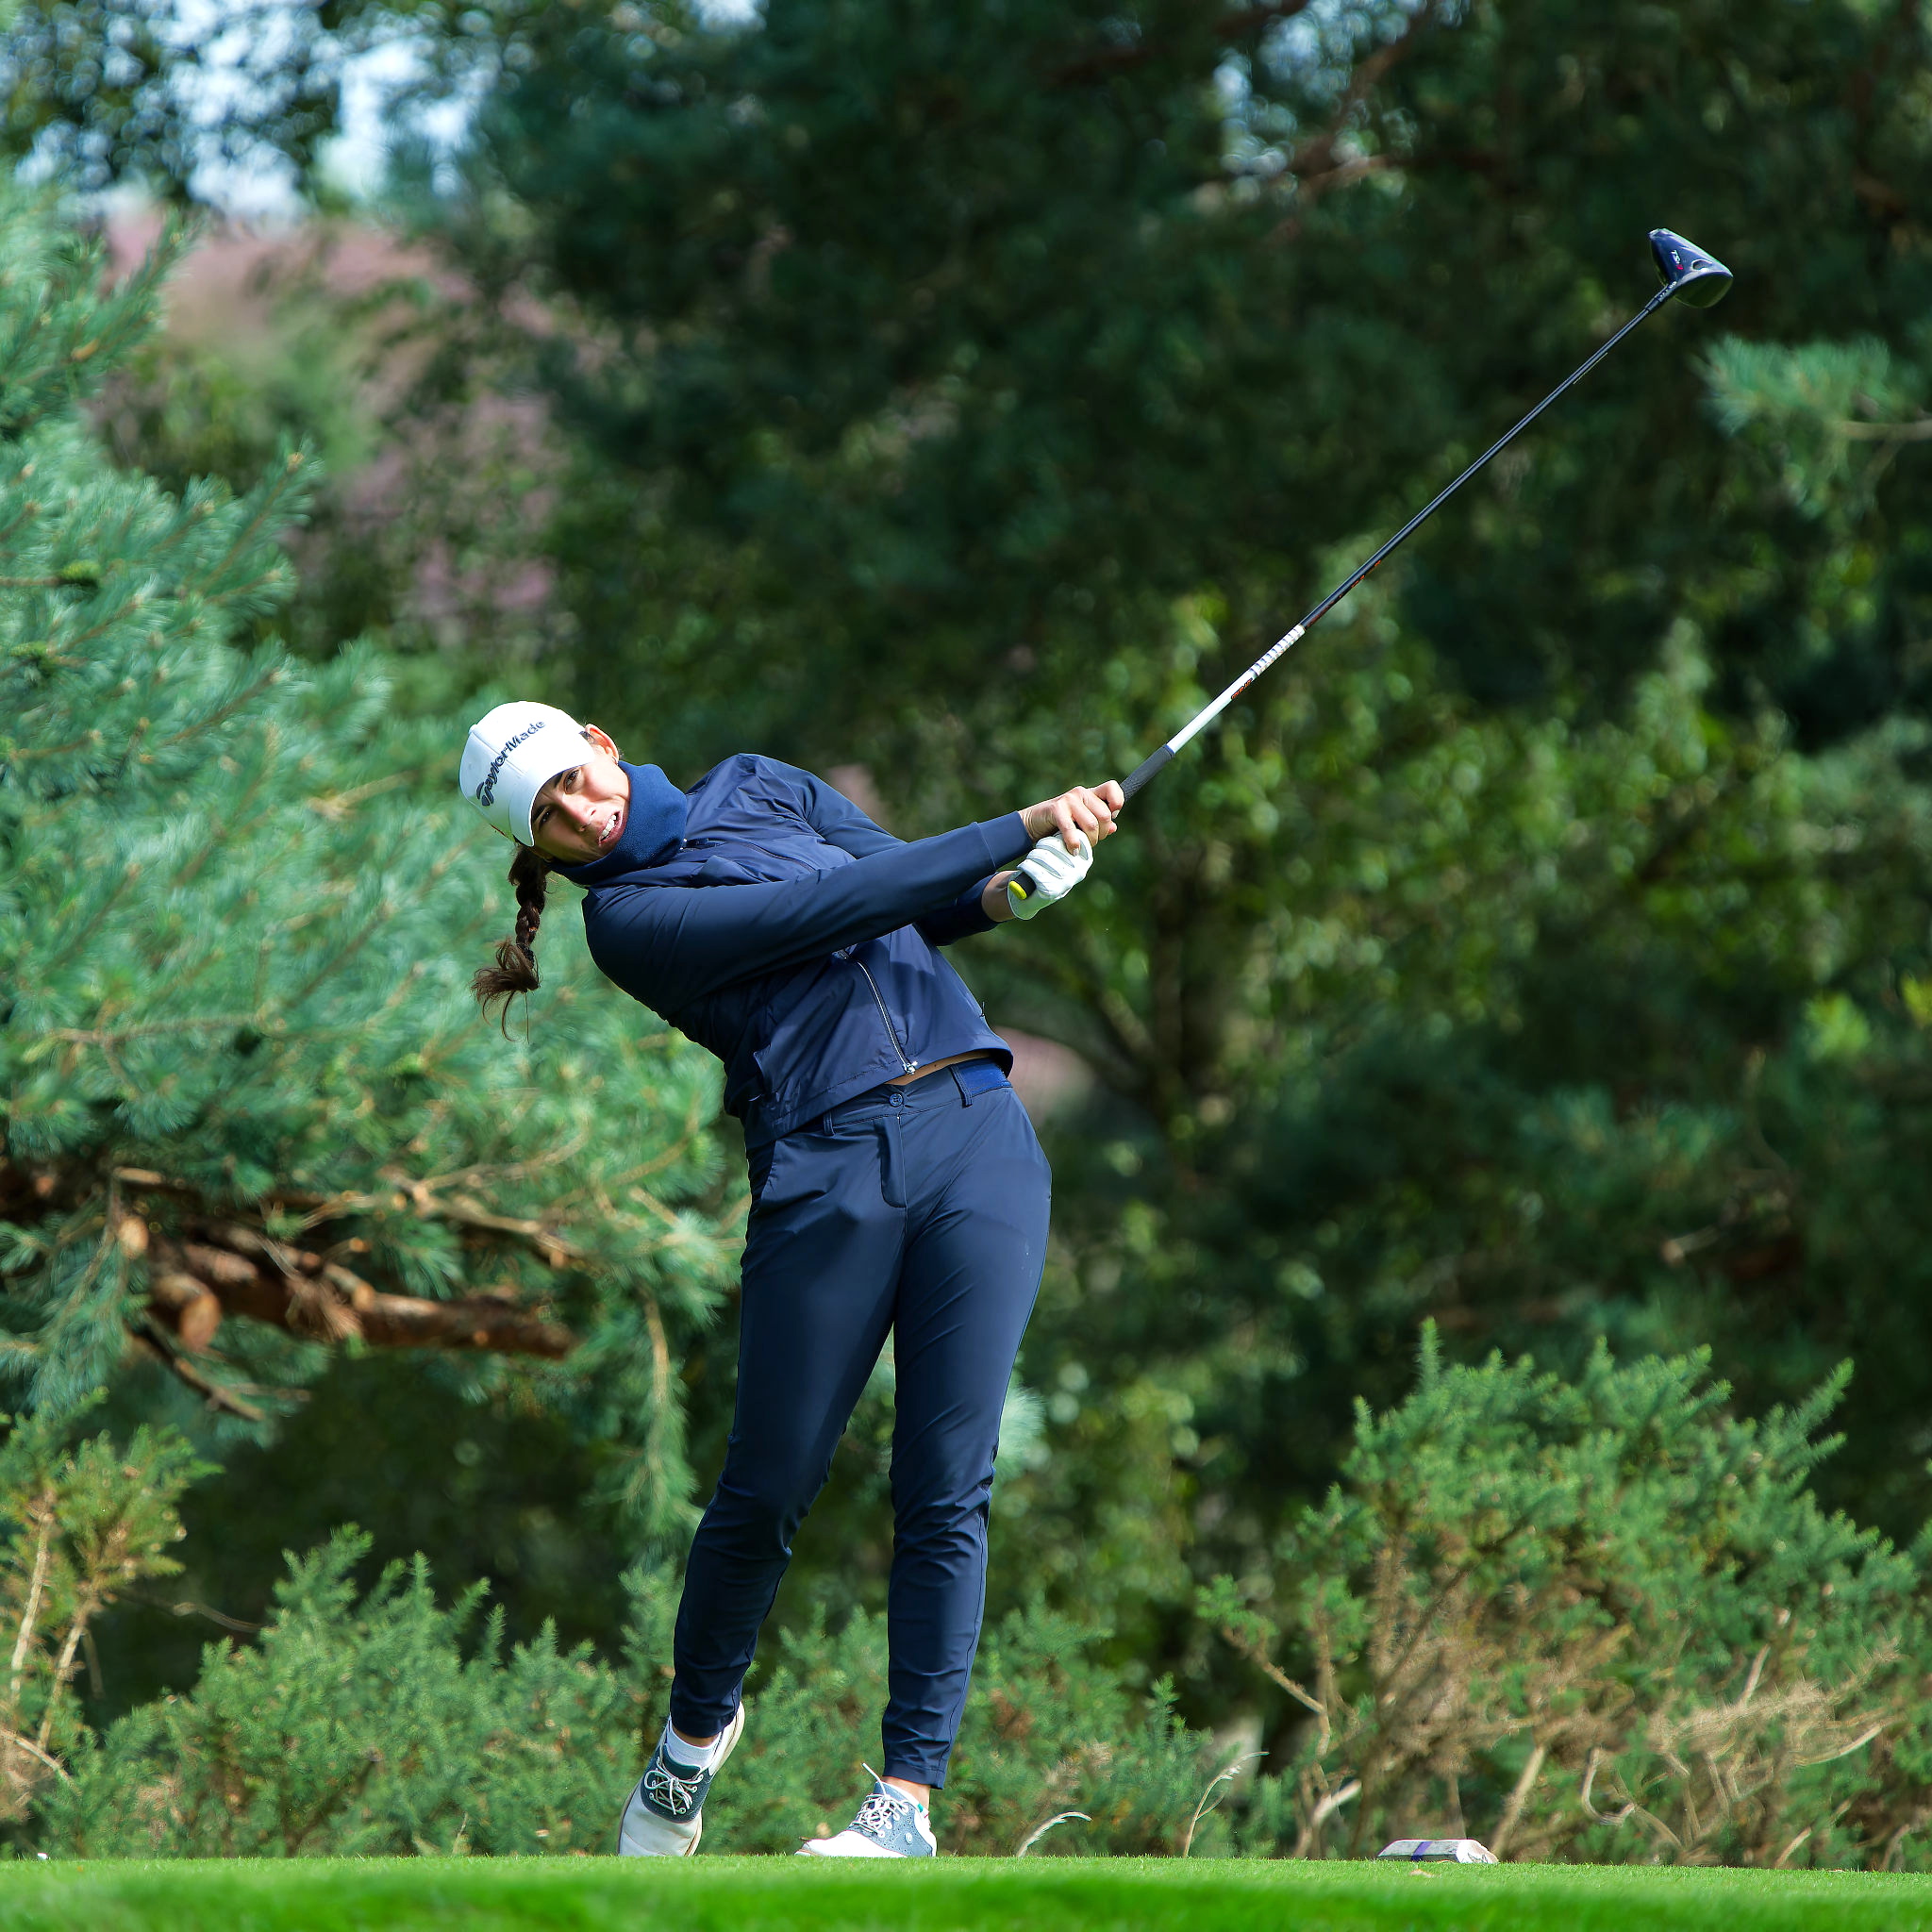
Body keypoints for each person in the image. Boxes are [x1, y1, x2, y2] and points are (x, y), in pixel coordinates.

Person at [458, 701, 1122, 1858]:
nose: (578, 813)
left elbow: (907, 895)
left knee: (946, 1480)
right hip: (828, 1167)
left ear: (601, 744)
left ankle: (904, 1802)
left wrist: (1014, 888)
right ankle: (688, 1745)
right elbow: (828, 908)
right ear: (541, 846)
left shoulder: (762, 780)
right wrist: (1019, 818)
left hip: (975, 1128)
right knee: (764, 1491)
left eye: (572, 779)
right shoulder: (626, 921)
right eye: (548, 818)